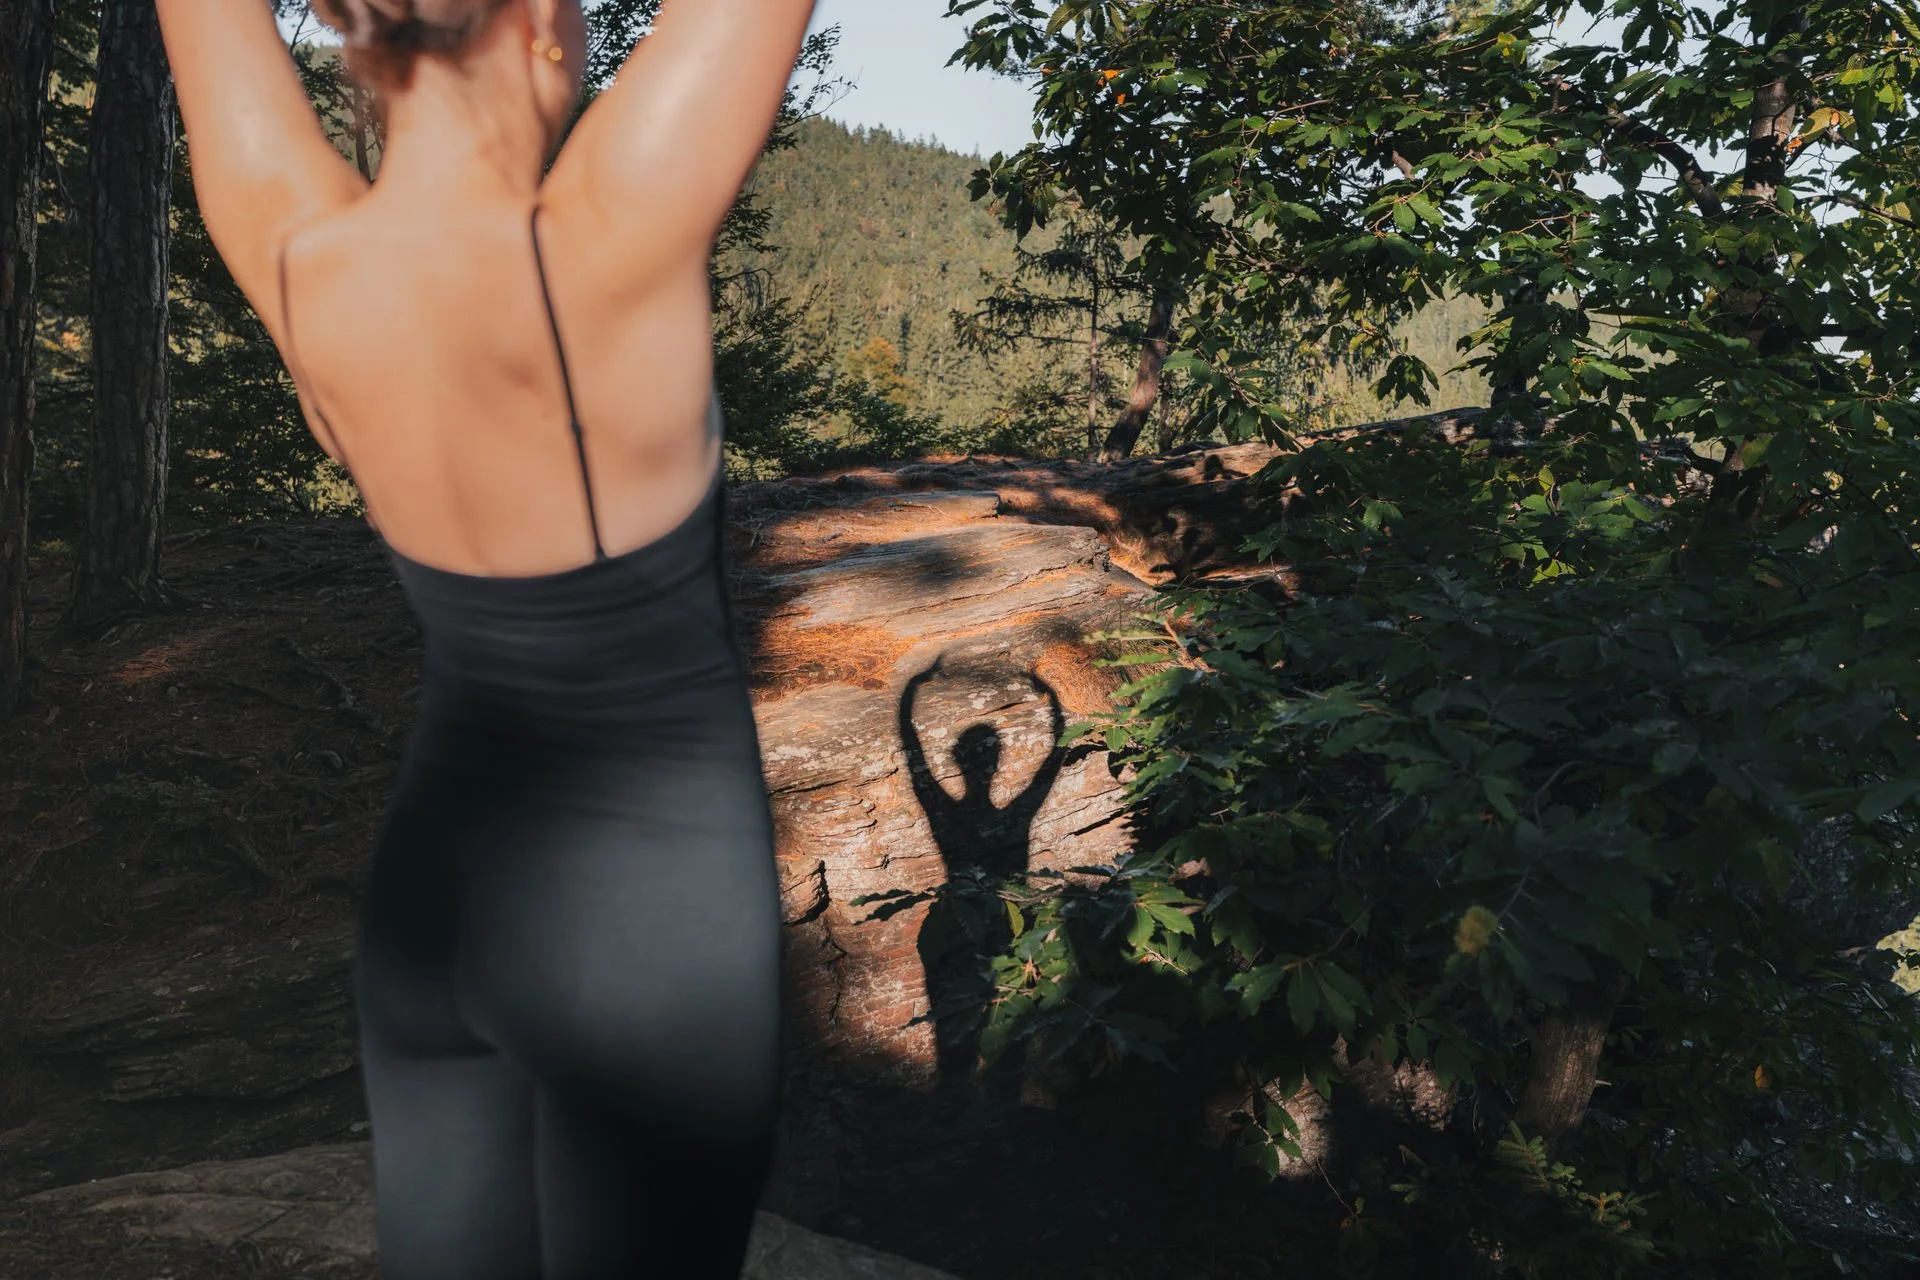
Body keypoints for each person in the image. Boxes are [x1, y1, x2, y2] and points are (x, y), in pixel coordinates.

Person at [155, 2, 815, 1275]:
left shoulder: (293, 249)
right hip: (651, 939)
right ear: (539, 30)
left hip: (434, 914)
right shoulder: (613, 230)